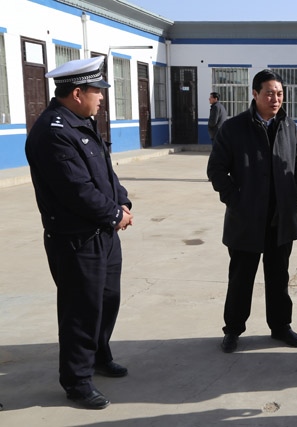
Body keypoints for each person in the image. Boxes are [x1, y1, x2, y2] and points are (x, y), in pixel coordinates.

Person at [25, 56, 133, 410]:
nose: (101, 97)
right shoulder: (53, 132)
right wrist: (114, 214)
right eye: (96, 91)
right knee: (81, 311)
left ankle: (99, 357)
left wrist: (122, 201)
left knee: (106, 301)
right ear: (76, 93)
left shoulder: (82, 123)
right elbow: (76, 190)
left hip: (103, 234)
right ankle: (77, 381)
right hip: (76, 239)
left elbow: (106, 173)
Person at [207, 69, 297, 354]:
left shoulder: (288, 126)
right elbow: (216, 169)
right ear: (254, 94)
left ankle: (281, 327)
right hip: (246, 218)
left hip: (281, 218)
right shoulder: (234, 128)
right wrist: (235, 200)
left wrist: (295, 196)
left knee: (279, 277)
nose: (275, 99)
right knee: (241, 279)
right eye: (269, 93)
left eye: (279, 94)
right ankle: (233, 330)